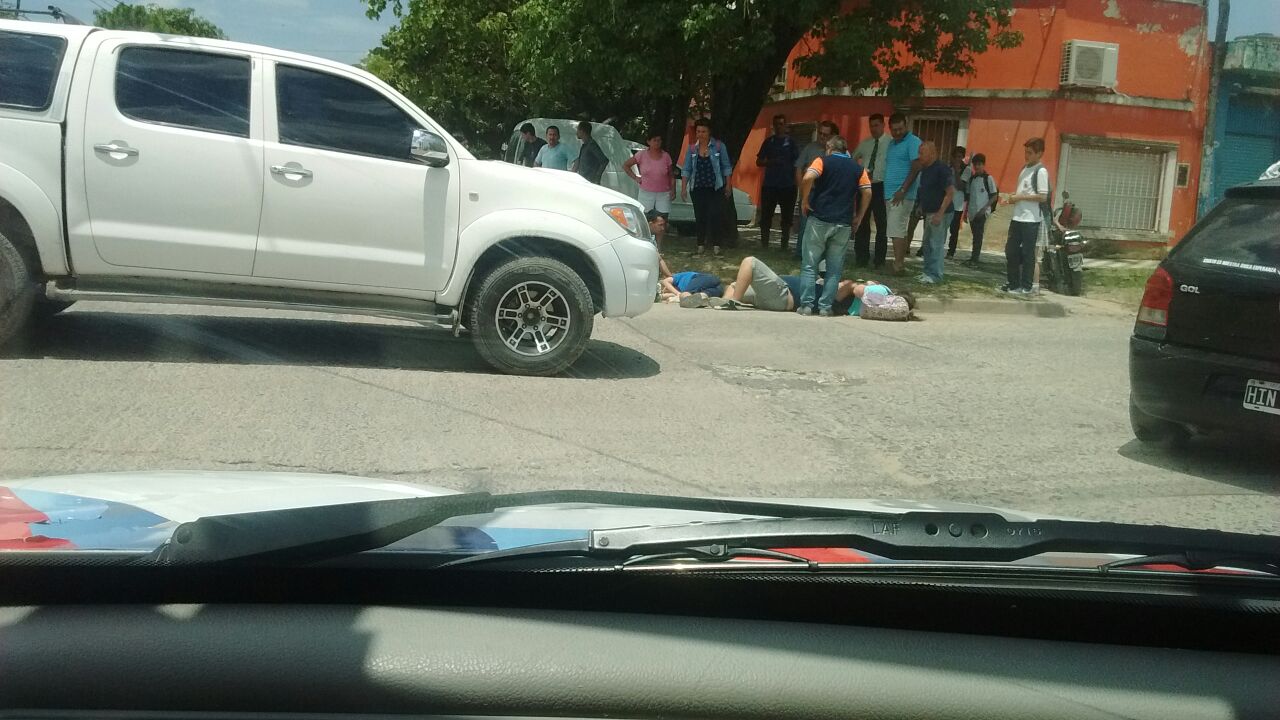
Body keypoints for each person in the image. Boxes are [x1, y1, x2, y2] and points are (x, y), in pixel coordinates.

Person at [797, 135, 872, 316]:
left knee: (810, 264)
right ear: (846, 150)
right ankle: (825, 307)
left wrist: (804, 200)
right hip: (843, 223)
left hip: (819, 219)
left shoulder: (822, 161)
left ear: (830, 148)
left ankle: (806, 306)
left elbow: (807, 178)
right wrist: (860, 216)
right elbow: (867, 191)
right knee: (834, 269)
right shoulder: (857, 168)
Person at [717, 256, 857, 313]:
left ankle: (733, 302)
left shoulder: (834, 295)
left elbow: (851, 286)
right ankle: (719, 303)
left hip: (782, 296)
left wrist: (863, 284)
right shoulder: (820, 286)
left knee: (750, 262)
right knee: (735, 286)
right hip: (769, 297)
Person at [1001, 137, 1051, 295]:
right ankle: (1013, 284)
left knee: (1028, 254)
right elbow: (1023, 191)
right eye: (1025, 152)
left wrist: (1020, 197)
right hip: (1018, 216)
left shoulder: (1040, 171)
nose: (1026, 155)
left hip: (1031, 219)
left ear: (1039, 153)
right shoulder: (1024, 169)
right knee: (1011, 251)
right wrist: (1012, 198)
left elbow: (1043, 197)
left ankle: (1026, 286)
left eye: (1030, 153)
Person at [680, 118, 734, 256]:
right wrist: (684, 187)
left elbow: (726, 166)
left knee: (715, 215)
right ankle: (700, 245)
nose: (700, 134)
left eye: (703, 131)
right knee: (700, 216)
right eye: (698, 131)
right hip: (697, 188)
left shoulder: (718, 147)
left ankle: (717, 245)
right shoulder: (692, 149)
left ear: (709, 132)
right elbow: (686, 169)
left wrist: (728, 185)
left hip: (715, 187)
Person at [884, 113, 923, 275]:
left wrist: (903, 189)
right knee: (897, 230)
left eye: (900, 129)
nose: (897, 132)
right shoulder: (892, 144)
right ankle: (898, 263)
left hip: (902, 194)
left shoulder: (913, 142)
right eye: (894, 130)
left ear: (906, 125)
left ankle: (898, 265)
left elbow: (916, 166)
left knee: (896, 230)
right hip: (890, 193)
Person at [793, 121, 838, 260]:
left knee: (824, 226)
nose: (822, 137)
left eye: (826, 134)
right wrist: (802, 188)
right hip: (810, 192)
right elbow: (799, 167)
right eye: (820, 133)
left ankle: (821, 257)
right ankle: (800, 253)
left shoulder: (837, 152)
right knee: (805, 224)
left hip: (827, 194)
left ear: (832, 136)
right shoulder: (810, 148)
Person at [755, 113, 799, 252]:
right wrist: (770, 162)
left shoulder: (791, 143)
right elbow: (759, 161)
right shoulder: (769, 142)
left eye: (781, 124)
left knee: (787, 218)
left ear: (785, 126)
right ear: (773, 126)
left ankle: (784, 246)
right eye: (776, 124)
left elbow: (798, 162)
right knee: (766, 216)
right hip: (770, 184)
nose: (779, 127)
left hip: (788, 185)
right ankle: (764, 244)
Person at [913, 141, 955, 285]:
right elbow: (925, 190)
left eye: (922, 153)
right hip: (929, 211)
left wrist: (940, 213)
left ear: (932, 153)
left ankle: (936, 275)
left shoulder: (942, 169)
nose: (919, 156)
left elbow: (950, 193)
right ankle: (927, 272)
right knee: (927, 244)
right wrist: (921, 205)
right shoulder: (925, 169)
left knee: (935, 244)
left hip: (941, 212)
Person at [852, 113, 890, 269]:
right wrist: (861, 171)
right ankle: (861, 257)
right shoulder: (865, 143)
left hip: (882, 185)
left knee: (882, 224)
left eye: (876, 125)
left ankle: (879, 260)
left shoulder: (890, 142)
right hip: (865, 185)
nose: (873, 129)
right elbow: (853, 158)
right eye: (871, 126)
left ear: (883, 125)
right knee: (862, 221)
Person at [624, 131, 675, 247]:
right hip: (646, 192)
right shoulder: (641, 155)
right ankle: (645, 244)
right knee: (644, 219)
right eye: (655, 140)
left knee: (662, 220)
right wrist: (635, 177)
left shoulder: (666, 156)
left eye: (659, 140)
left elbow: (671, 175)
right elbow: (626, 165)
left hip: (663, 193)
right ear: (648, 142)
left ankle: (659, 247)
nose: (657, 143)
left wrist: (673, 190)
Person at [959, 153, 998, 267]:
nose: (977, 167)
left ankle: (975, 259)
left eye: (979, 164)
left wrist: (985, 208)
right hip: (972, 211)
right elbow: (968, 197)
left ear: (983, 165)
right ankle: (973, 258)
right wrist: (965, 213)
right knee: (975, 235)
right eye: (975, 164)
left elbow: (994, 195)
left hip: (982, 211)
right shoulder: (971, 180)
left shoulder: (988, 178)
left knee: (978, 235)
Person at [946, 146, 968, 258]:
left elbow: (960, 186)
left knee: (954, 230)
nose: (958, 159)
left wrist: (956, 171)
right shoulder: (948, 168)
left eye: (960, 157)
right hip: (946, 202)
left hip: (958, 204)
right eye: (956, 157)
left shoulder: (966, 170)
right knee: (942, 227)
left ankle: (951, 251)